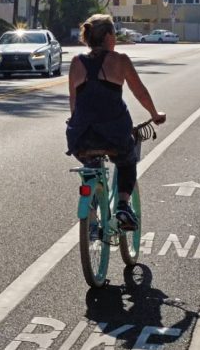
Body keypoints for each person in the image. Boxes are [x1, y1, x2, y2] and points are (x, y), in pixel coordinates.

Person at [66, 14, 166, 230]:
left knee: (90, 167)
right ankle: (122, 206)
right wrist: (154, 113)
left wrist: (76, 123)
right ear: (109, 36)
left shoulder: (76, 63)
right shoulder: (120, 60)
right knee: (127, 161)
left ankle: (91, 214)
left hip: (81, 136)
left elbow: (73, 104)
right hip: (114, 133)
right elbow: (139, 92)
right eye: (114, 34)